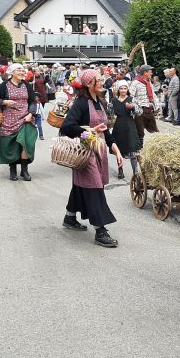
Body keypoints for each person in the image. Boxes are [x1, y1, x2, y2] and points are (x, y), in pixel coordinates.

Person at [60, 69, 124, 247]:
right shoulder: (81, 103)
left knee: (81, 186)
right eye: (99, 80)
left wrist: (116, 150)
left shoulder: (101, 102)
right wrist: (88, 130)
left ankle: (70, 217)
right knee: (95, 188)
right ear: (89, 84)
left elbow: (106, 131)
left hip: (99, 151)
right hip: (85, 153)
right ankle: (100, 231)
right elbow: (67, 127)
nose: (103, 82)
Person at [0, 63, 38, 181]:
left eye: (23, 70)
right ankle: (12, 170)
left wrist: (30, 114)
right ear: (12, 72)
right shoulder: (4, 85)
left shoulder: (26, 85)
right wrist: (4, 102)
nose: (22, 72)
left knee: (26, 143)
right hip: (8, 121)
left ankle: (24, 170)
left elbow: (33, 102)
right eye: (19, 70)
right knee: (12, 146)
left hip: (25, 119)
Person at [111, 80, 141, 179]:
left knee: (132, 150)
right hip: (119, 126)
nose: (123, 90)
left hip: (130, 125)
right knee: (119, 149)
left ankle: (135, 172)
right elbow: (109, 114)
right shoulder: (114, 101)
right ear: (118, 89)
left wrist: (133, 107)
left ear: (127, 89)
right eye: (121, 88)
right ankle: (120, 170)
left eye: (125, 88)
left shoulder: (131, 99)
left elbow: (140, 112)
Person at [129, 65, 160, 148]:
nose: (151, 73)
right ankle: (139, 149)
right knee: (140, 133)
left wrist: (157, 106)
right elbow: (130, 97)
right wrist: (135, 108)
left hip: (148, 109)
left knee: (155, 131)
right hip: (139, 111)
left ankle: (155, 149)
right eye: (150, 71)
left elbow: (153, 95)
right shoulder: (136, 82)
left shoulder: (149, 82)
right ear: (145, 72)